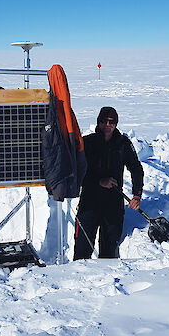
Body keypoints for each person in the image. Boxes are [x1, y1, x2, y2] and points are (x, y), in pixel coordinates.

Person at [73, 107, 144, 260]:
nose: (107, 124)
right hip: (89, 203)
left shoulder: (123, 143)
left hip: (113, 204)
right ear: (98, 122)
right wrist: (99, 181)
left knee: (108, 253)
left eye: (111, 122)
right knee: (82, 253)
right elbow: (78, 173)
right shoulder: (87, 143)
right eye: (104, 121)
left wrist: (137, 195)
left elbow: (136, 169)